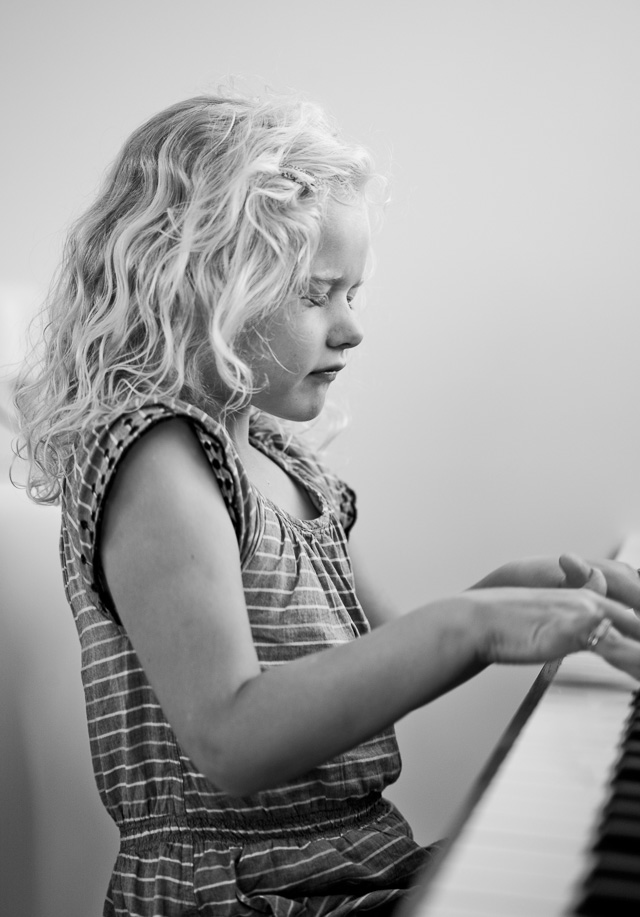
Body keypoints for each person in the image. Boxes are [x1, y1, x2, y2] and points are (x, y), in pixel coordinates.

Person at [13, 91, 640, 917]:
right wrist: (474, 624)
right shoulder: (158, 458)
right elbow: (229, 739)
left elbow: (373, 657)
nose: (351, 328)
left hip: (351, 868)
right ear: (200, 286)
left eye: (354, 293)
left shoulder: (279, 456)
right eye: (317, 294)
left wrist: (510, 593)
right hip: (244, 896)